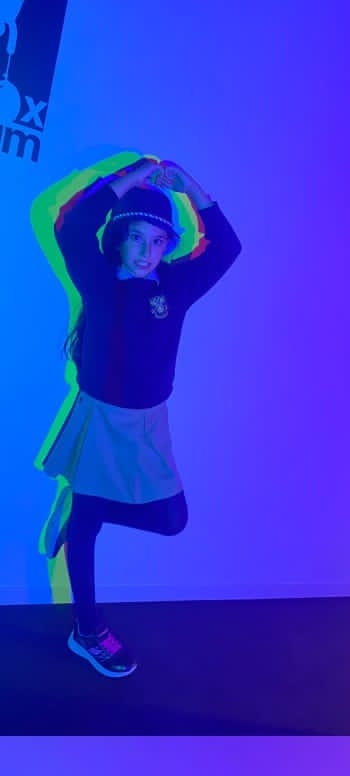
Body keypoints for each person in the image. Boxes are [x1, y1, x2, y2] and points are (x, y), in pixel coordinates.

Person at [38, 155, 242, 678]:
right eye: (136, 238)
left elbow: (228, 247)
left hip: (150, 424)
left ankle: (80, 509)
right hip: (101, 420)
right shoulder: (98, 281)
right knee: (86, 531)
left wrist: (191, 187)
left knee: (171, 519)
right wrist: (130, 178)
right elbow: (73, 224)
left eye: (157, 241)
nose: (147, 251)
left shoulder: (174, 287)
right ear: (119, 239)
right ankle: (88, 631)